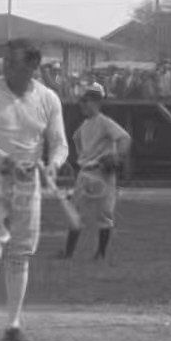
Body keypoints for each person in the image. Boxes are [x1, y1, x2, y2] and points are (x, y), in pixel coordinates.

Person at [0, 39, 68, 341]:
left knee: (21, 252)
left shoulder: (48, 99)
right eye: (5, 62)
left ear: (32, 68)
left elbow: (60, 142)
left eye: (13, 62)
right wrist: (7, 160)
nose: (5, 67)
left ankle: (13, 324)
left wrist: (53, 166)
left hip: (27, 183)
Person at [58, 83, 131, 260]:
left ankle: (100, 254)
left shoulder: (105, 122)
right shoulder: (84, 125)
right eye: (82, 102)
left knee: (104, 213)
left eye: (86, 101)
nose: (83, 105)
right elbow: (77, 141)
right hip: (86, 172)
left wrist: (117, 156)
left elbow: (124, 138)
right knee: (75, 212)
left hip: (102, 173)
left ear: (96, 103)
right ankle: (68, 253)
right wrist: (81, 159)